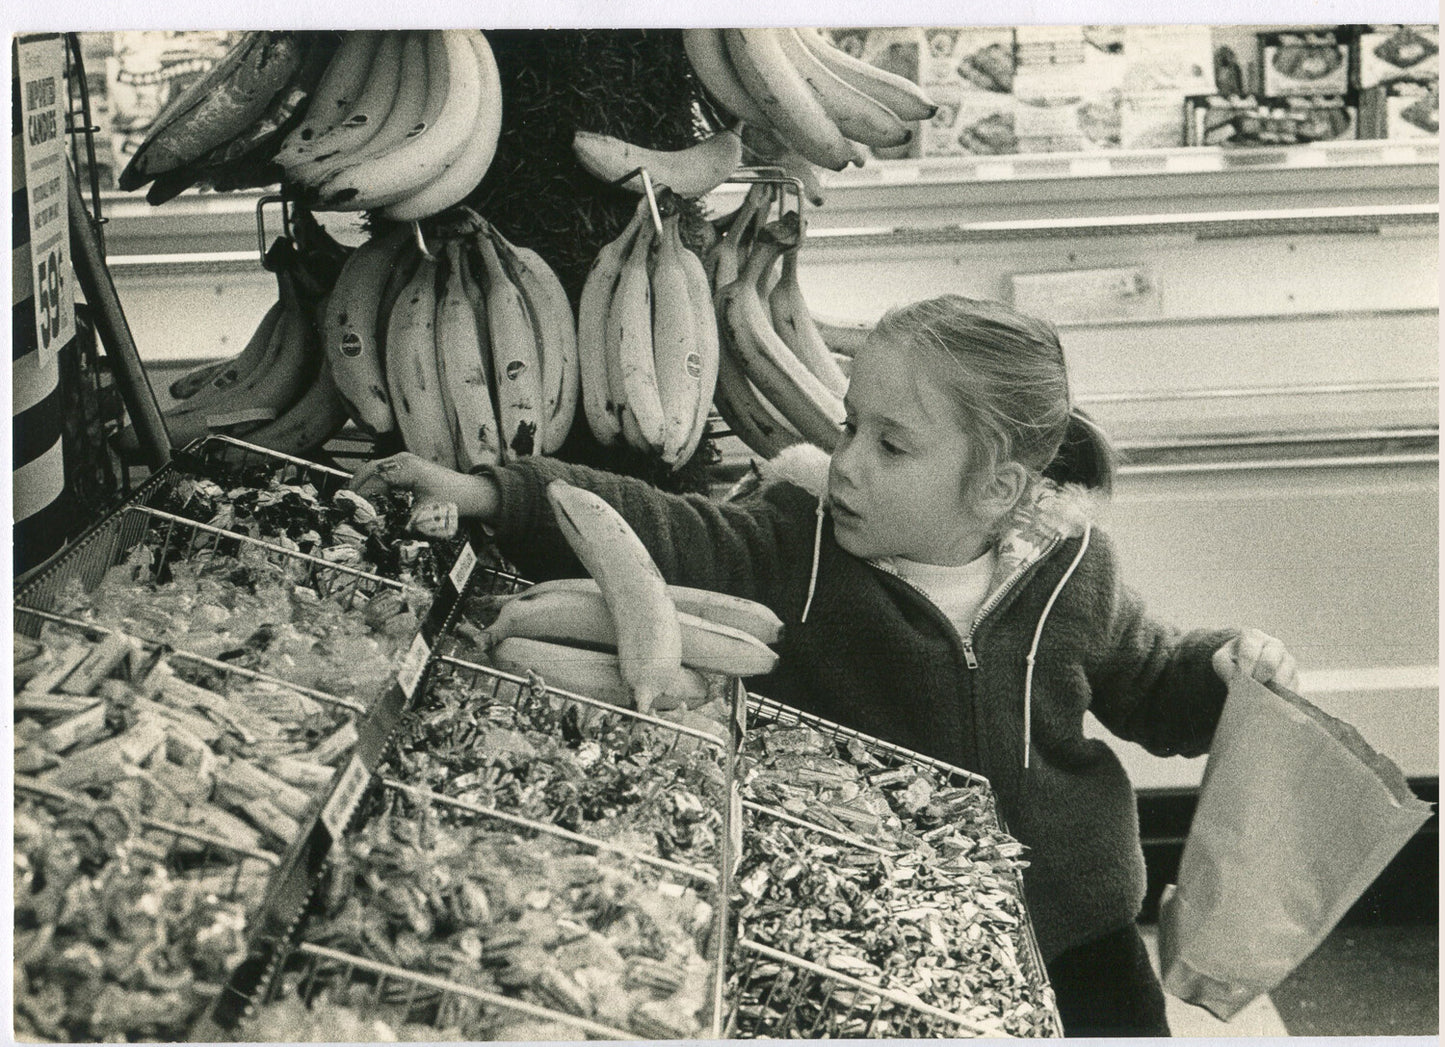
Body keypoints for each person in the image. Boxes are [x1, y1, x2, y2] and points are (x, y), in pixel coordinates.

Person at [352, 293, 1300, 1037]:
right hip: (875, 941)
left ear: (999, 487)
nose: (846, 463)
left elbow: (1153, 688)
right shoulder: (795, 548)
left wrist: (1223, 672)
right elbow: (656, 524)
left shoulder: (1074, 574)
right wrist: (492, 489)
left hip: (1079, 932)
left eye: (891, 445)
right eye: (850, 427)